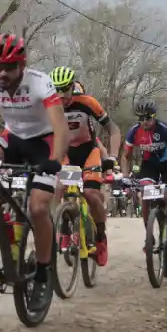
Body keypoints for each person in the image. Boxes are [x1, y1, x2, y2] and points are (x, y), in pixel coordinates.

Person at [0, 35, 69, 300]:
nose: (2, 73)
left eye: (9, 67)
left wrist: (55, 159)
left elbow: (61, 128)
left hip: (43, 143)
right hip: (12, 139)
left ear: (22, 65)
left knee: (39, 207)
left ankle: (43, 270)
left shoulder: (40, 83)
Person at [49, 65, 121, 265]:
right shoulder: (49, 104)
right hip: (66, 153)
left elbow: (113, 130)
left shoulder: (87, 102)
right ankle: (61, 225)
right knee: (58, 188)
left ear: (72, 87)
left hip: (89, 151)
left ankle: (100, 236)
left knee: (90, 194)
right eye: (56, 89)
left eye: (64, 89)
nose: (61, 95)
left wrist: (112, 158)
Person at [120, 99, 167, 255]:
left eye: (147, 118)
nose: (144, 122)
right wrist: (125, 176)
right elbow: (125, 156)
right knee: (146, 197)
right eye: (140, 118)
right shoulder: (134, 131)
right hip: (150, 163)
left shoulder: (165, 129)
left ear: (154, 117)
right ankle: (149, 237)